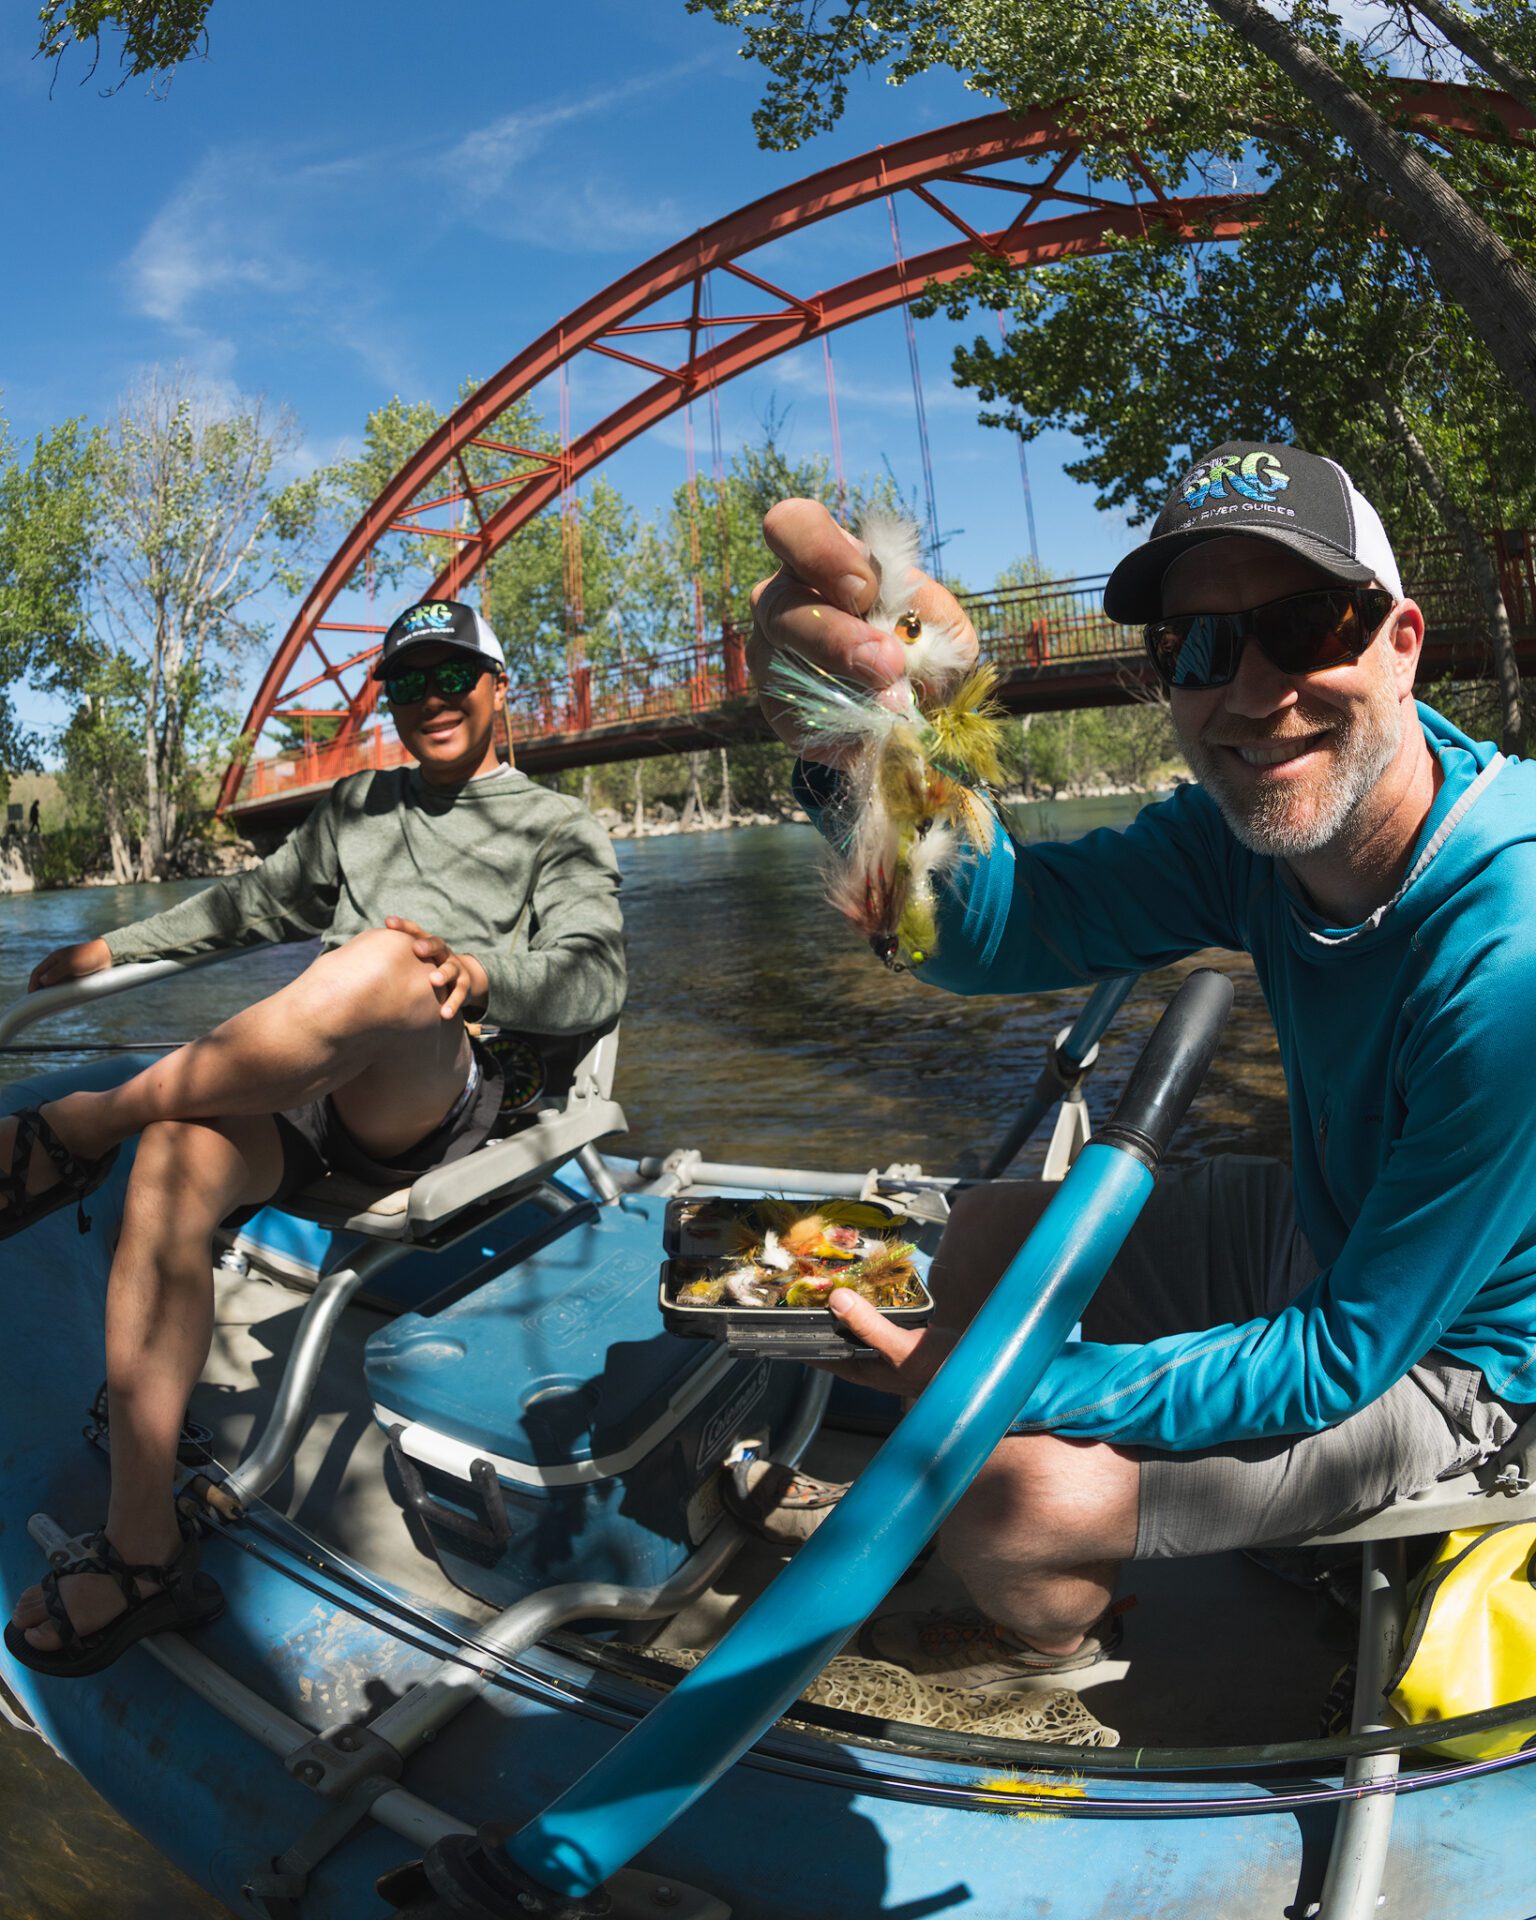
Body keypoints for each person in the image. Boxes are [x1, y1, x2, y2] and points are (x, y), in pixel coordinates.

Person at [748, 443, 1536, 1691]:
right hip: (1330, 1230)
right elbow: (974, 931)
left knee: (1013, 1499)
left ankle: (1063, 1646)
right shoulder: (1261, 841)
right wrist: (858, 742)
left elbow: (1347, 1352)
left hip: (1464, 1356)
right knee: (932, 1250)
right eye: (1200, 648)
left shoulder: (1513, 950)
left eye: (1304, 624)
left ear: (1402, 642)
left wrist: (1010, 1385)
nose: (1254, 690)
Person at [2, 597, 626, 1676]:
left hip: (447, 1092)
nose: (430, 699)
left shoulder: (557, 828)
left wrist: (479, 974)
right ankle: (144, 1547)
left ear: (497, 689)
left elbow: (597, 975)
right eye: (406, 684)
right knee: (172, 1164)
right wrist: (109, 947)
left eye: (452, 677)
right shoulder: (356, 810)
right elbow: (245, 909)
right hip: (316, 1093)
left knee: (389, 963)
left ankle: (72, 1128)